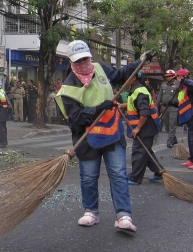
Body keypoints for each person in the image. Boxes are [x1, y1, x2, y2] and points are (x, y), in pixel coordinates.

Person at [55, 40, 150, 233]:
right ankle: (91, 211)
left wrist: (140, 61)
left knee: (118, 174)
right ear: (71, 62)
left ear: (90, 57)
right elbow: (74, 119)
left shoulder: (100, 69)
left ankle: (124, 215)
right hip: (87, 138)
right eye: (78, 61)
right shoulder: (67, 89)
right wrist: (96, 109)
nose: (83, 63)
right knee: (89, 177)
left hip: (112, 132)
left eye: (85, 59)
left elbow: (121, 74)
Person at [123, 73, 163, 185]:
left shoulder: (140, 92)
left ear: (134, 78)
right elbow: (135, 104)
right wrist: (123, 105)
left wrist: (138, 128)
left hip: (145, 127)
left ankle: (135, 177)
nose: (124, 81)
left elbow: (144, 112)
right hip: (146, 127)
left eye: (127, 78)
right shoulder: (136, 90)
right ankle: (159, 171)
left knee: (139, 152)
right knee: (146, 151)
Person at [171, 69, 193, 170]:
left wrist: (184, 81)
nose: (176, 80)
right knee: (192, 139)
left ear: (182, 77)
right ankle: (192, 158)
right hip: (190, 115)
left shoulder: (190, 84)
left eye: (177, 78)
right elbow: (184, 102)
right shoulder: (183, 89)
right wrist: (173, 104)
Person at [156, 69, 179, 148]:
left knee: (172, 124)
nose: (167, 78)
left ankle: (169, 141)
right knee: (167, 125)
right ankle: (173, 138)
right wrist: (157, 105)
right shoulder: (163, 84)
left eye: (169, 76)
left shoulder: (178, 85)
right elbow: (160, 95)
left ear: (173, 76)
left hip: (173, 107)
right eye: (166, 76)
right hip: (164, 107)